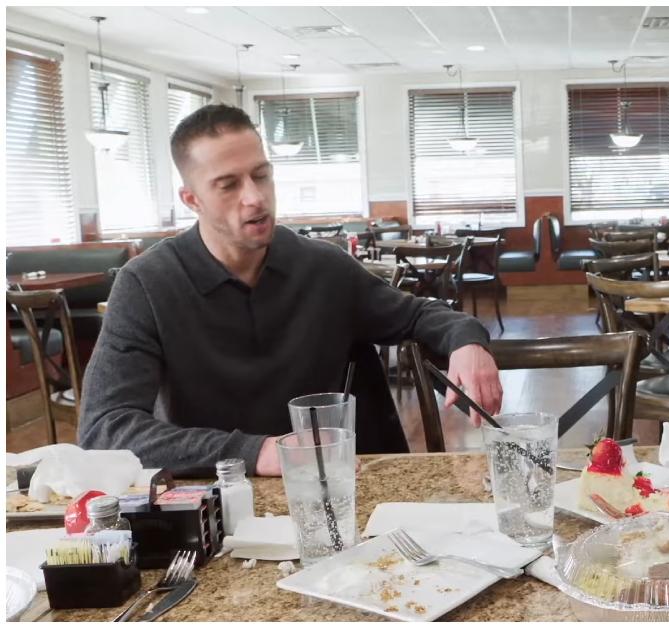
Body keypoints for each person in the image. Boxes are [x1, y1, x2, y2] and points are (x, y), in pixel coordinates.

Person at [79, 105, 502, 476]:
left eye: (261, 176)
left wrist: (467, 340)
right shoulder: (146, 283)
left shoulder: (323, 266)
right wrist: (256, 452)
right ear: (192, 199)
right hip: (217, 496)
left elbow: (418, 315)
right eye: (228, 185)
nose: (255, 198)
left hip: (337, 485)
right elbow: (104, 429)